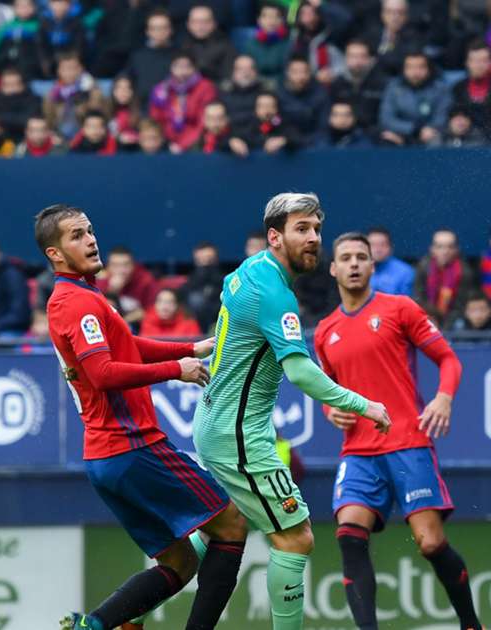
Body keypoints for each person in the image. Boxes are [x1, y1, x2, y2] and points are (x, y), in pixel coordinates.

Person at [39, 205, 248, 630]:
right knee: (231, 526)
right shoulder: (75, 302)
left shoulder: (83, 296)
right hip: (134, 446)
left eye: (90, 230)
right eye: (77, 235)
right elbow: (102, 373)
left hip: (106, 459)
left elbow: (126, 346)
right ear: (55, 254)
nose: (91, 239)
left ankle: (94, 625)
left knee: (179, 562)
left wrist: (188, 349)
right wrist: (177, 371)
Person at [192, 193, 391, 630]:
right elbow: (300, 372)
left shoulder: (249, 271)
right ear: (274, 236)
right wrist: (363, 404)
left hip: (215, 422)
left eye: (317, 229)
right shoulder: (275, 294)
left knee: (222, 529)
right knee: (295, 537)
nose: (314, 239)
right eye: (302, 229)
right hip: (237, 434)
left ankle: (124, 613)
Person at [314, 232, 482, 630]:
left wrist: (443, 398)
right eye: (346, 258)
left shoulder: (400, 308)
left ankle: (472, 624)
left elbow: (448, 360)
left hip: (407, 440)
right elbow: (327, 387)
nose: (354, 264)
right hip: (358, 450)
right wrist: (328, 408)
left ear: (373, 266)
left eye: (362, 257)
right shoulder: (325, 331)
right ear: (334, 268)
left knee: (430, 543)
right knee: (349, 532)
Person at [149, 52, 219, 154]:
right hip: (166, 143)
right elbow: (156, 120)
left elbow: (204, 121)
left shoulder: (205, 87)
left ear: (194, 68)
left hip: (195, 144)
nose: (182, 71)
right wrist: (166, 143)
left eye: (187, 66)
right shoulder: (161, 90)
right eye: (178, 66)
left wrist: (183, 145)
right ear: (171, 68)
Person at [378, 51, 451, 146]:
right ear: (404, 70)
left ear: (429, 69)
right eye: (410, 67)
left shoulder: (440, 89)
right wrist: (413, 129)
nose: (415, 72)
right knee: (386, 139)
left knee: (436, 141)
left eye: (421, 67)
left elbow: (442, 117)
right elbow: (387, 118)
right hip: (401, 134)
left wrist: (430, 129)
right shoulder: (393, 87)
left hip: (430, 134)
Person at [451, 40, 491, 141]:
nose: (478, 65)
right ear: (467, 63)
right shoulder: (458, 88)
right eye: (474, 60)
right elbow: (454, 114)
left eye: (483, 60)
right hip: (465, 143)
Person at [413, 228, 476, 323]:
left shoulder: (465, 272)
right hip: (426, 319)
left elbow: (461, 305)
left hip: (453, 322)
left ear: (457, 249)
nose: (445, 251)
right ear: (432, 249)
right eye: (439, 247)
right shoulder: (423, 267)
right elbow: (418, 298)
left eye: (450, 247)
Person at [331, 40, 388, 139]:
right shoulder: (336, 84)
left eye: (362, 56)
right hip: (340, 133)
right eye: (353, 56)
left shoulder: (382, 83)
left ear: (370, 59)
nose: (357, 61)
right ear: (345, 59)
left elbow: (386, 115)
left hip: (374, 136)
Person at [42, 52, 107, 141]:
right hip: (59, 139)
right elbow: (48, 122)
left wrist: (86, 94)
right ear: (58, 71)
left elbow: (97, 118)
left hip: (87, 138)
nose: (69, 73)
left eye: (73, 68)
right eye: (65, 69)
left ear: (81, 69)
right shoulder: (52, 94)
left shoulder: (93, 91)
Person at [96, 245, 159, 328]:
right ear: (108, 268)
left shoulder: (145, 282)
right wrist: (112, 291)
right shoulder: (99, 284)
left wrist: (125, 321)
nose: (121, 270)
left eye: (126, 265)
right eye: (116, 265)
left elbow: (153, 311)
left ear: (133, 266)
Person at [127, 10, 178, 103]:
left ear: (171, 29)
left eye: (164, 27)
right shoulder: (137, 56)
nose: (159, 32)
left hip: (173, 110)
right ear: (147, 31)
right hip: (144, 111)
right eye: (155, 28)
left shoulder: (180, 56)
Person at [277, 57, 330, 140]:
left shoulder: (321, 95)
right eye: (295, 72)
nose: (301, 77)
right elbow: (275, 122)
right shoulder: (279, 95)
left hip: (314, 144)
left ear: (310, 74)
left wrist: (302, 142)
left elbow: (323, 128)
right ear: (287, 73)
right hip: (287, 144)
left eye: (305, 72)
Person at [181, 5, 235, 82]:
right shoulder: (183, 46)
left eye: (205, 22)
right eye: (195, 22)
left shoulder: (226, 47)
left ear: (214, 24)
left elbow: (227, 80)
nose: (200, 26)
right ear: (188, 24)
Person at [0, 68, 40, 143]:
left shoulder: (32, 99)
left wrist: (2, 119)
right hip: (0, 140)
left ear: (22, 85)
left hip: (25, 139)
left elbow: (28, 120)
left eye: (15, 84)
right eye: (7, 85)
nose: (11, 88)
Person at [242, 3, 291, 83]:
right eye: (266, 16)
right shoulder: (250, 44)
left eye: (276, 17)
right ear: (259, 20)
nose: (271, 21)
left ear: (282, 20)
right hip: (256, 86)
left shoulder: (289, 43)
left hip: (282, 85)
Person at [180, 241, 222, 331]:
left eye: (210, 260)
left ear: (216, 259)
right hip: (193, 329)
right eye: (201, 260)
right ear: (195, 260)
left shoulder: (227, 283)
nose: (205, 264)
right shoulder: (187, 286)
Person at [367, 227, 415, 296]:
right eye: (373, 245)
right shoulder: (357, 269)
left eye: (382, 245)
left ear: (390, 247)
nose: (378, 250)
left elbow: (407, 303)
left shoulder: (405, 272)